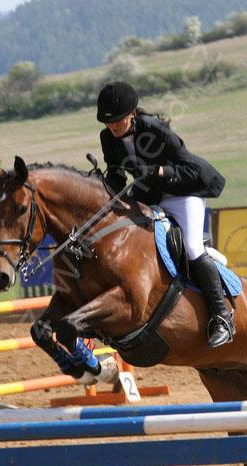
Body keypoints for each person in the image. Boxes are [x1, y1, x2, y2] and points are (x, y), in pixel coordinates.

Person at [96, 80, 234, 348]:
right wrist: (100, 184)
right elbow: (116, 175)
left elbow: (190, 169)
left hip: (184, 193)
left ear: (132, 113)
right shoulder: (108, 138)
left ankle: (222, 317)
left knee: (192, 247)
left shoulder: (155, 130)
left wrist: (159, 172)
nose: (113, 126)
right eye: (107, 122)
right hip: (150, 197)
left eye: (118, 120)